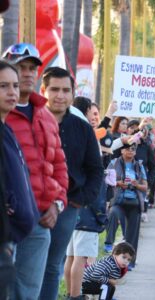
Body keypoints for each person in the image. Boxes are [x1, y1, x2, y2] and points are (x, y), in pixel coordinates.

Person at [3, 43, 69, 300]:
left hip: (41, 220)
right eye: (21, 67)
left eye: (32, 68)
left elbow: (60, 166)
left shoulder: (45, 114)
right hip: (7, 220)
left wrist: (57, 205)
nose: (28, 73)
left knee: (29, 293)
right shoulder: (4, 115)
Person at [40, 67, 104, 300]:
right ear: (43, 90)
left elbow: (95, 170)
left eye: (66, 90)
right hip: (32, 203)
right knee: (25, 263)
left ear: (72, 93)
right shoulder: (32, 122)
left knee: (53, 265)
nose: (60, 95)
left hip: (68, 205)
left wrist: (81, 199)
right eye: (54, 89)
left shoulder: (83, 129)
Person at [0, 61, 39, 299]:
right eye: (3, 86)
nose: (12, 92)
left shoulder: (7, 129)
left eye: (14, 86)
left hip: (11, 238)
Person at [105, 143, 147, 271]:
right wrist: (118, 183)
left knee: (132, 234)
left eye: (133, 149)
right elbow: (107, 180)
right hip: (118, 200)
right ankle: (109, 243)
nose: (130, 151)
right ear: (122, 150)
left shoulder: (139, 165)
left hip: (134, 202)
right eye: (128, 148)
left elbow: (145, 186)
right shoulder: (114, 163)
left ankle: (129, 262)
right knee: (113, 213)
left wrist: (136, 185)